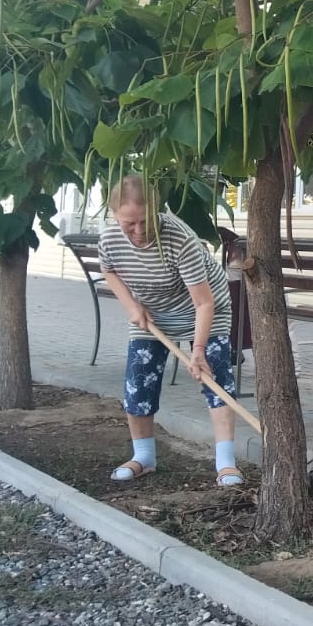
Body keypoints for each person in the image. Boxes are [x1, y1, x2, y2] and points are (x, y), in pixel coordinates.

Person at [96, 176, 245, 488]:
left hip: (204, 308)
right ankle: (144, 457)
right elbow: (108, 270)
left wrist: (198, 351)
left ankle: (225, 463)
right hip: (152, 315)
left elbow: (204, 303)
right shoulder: (109, 238)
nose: (139, 230)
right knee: (138, 380)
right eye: (129, 223)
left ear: (157, 210)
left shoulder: (180, 239)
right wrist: (132, 306)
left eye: (145, 221)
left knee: (216, 377)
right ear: (115, 215)